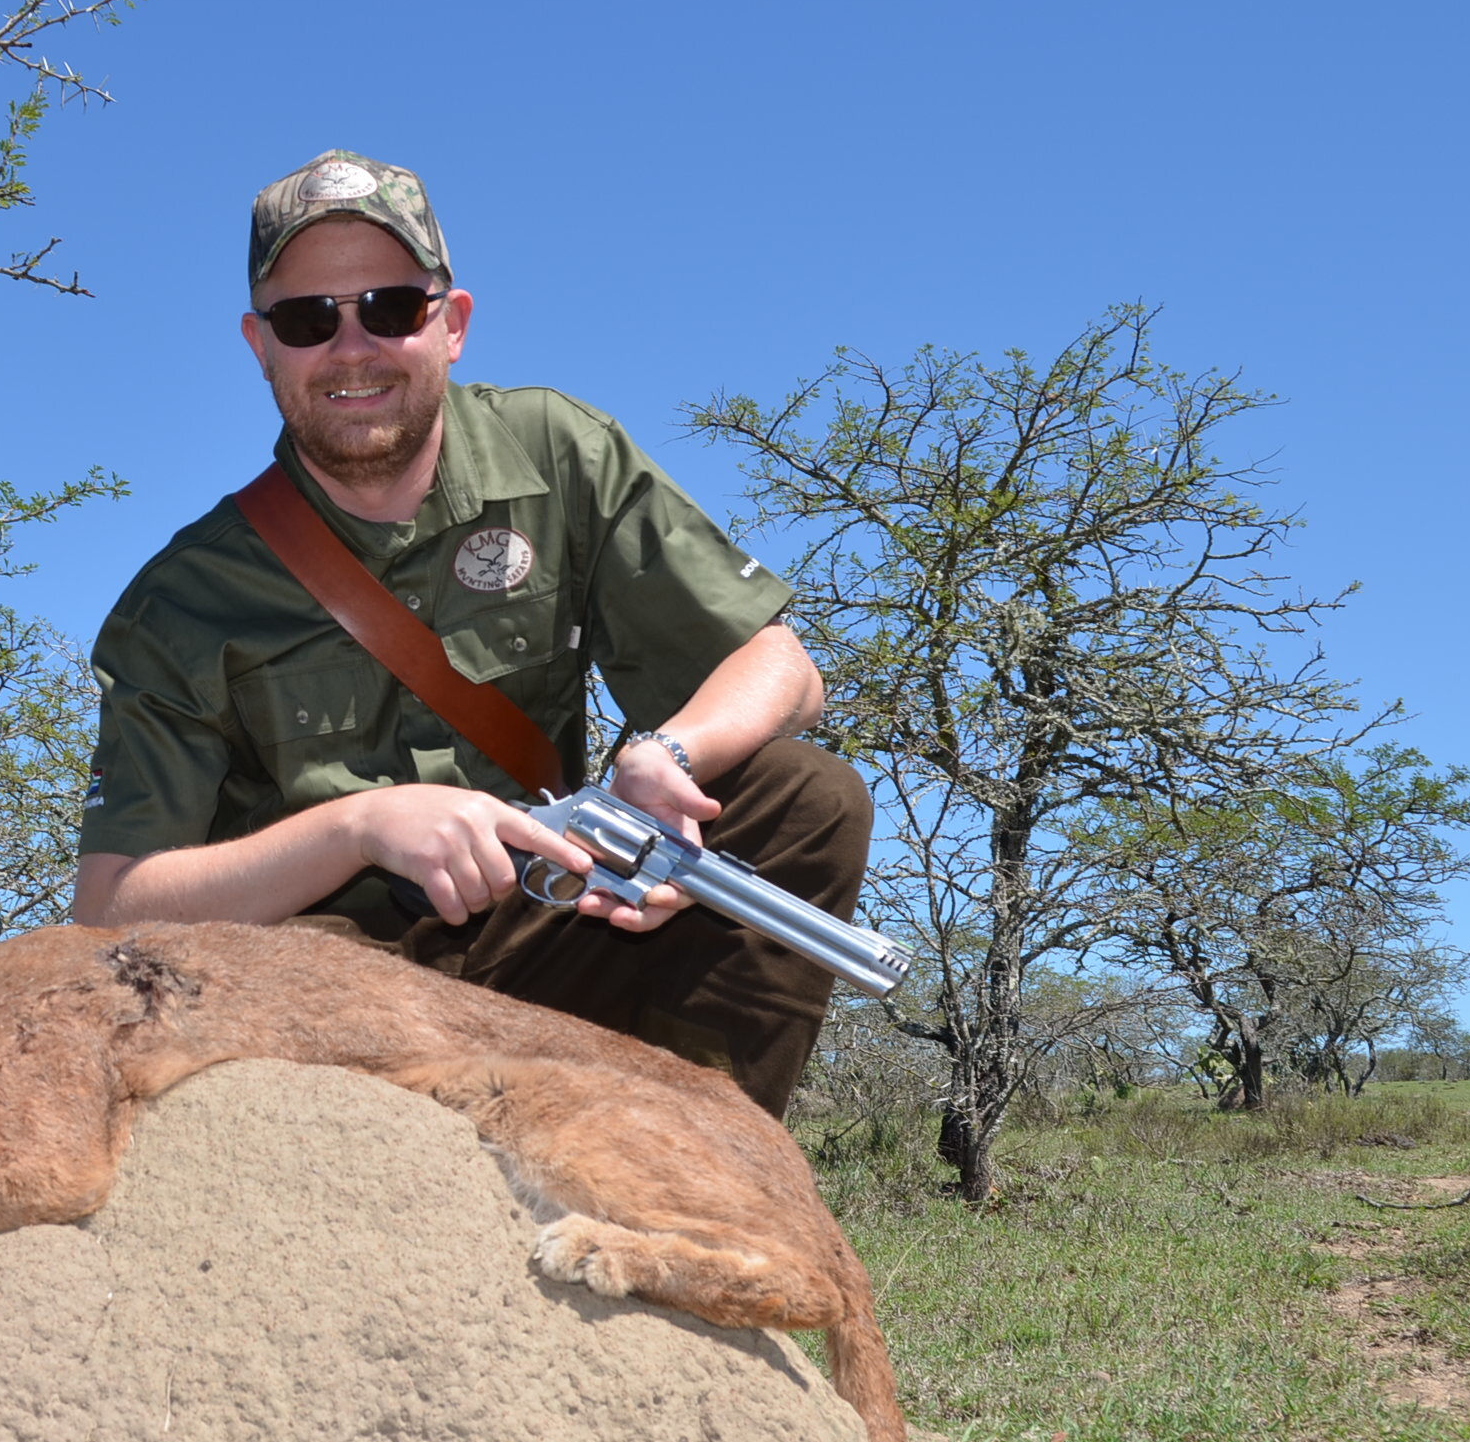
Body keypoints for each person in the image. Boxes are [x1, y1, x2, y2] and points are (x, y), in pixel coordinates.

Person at [71, 149, 873, 1119]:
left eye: (391, 309)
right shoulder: (182, 598)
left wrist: (665, 756)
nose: (351, 346)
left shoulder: (560, 449)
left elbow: (780, 665)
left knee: (803, 795)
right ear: (260, 344)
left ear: (450, 325)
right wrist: (357, 826)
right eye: (307, 319)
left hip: (548, 924)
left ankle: (693, 1154)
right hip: (323, 985)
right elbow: (108, 912)